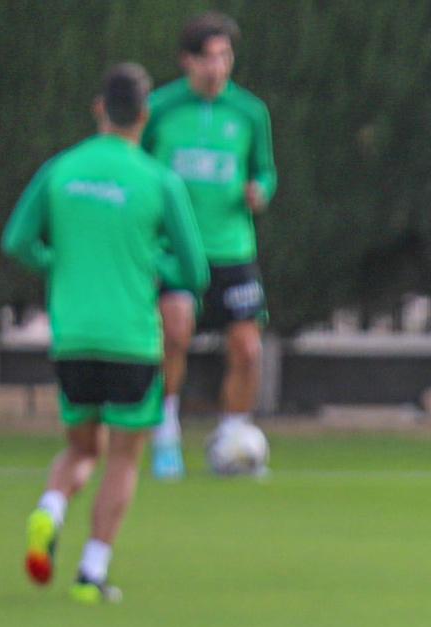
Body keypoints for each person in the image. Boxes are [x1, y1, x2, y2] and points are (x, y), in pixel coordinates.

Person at [6, 63, 208, 604]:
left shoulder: (62, 169)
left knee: (79, 448)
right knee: (122, 456)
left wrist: (58, 260)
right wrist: (152, 263)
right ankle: (91, 572)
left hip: (72, 336)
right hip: (132, 339)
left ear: (99, 109)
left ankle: (50, 508)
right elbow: (194, 271)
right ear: (144, 116)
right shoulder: (159, 179)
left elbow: (17, 241)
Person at [144, 11, 277, 479]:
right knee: (175, 334)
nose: (217, 67)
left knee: (247, 351)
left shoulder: (249, 112)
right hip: (175, 251)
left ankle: (232, 438)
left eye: (225, 57)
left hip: (233, 250)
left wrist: (261, 189)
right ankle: (165, 435)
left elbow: (265, 170)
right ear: (186, 61)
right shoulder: (159, 108)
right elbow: (138, 168)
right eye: (207, 58)